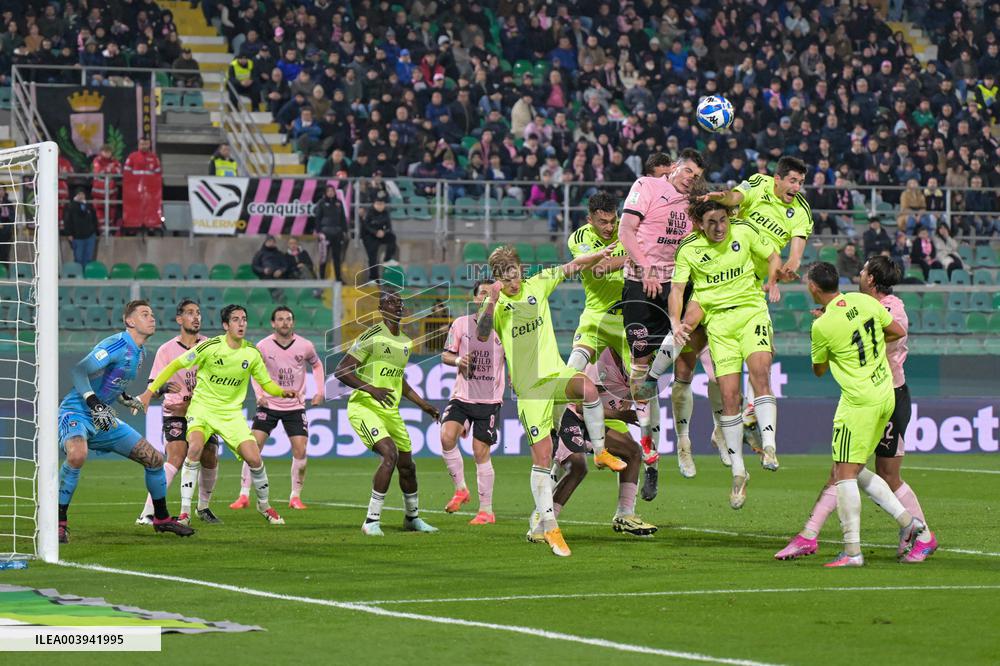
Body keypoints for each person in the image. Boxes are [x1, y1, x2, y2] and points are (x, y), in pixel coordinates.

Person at [776, 256, 937, 563]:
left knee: (875, 473)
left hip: (884, 393)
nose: (860, 274)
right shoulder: (860, 303)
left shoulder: (889, 305)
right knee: (845, 469)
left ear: (872, 279)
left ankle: (919, 534)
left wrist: (837, 332)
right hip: (880, 391)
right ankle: (810, 535)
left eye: (864, 270)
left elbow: (893, 332)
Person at [476, 244, 626, 557]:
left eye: (515, 275)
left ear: (521, 270)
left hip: (554, 374)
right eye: (505, 278)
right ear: (497, 279)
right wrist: (491, 301)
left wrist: (601, 256)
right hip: (530, 390)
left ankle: (600, 452)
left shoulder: (539, 284)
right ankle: (549, 526)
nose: (513, 283)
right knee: (543, 458)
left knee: (587, 388)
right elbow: (481, 335)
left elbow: (574, 265)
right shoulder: (497, 303)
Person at [671, 199, 788, 509]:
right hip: (719, 325)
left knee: (761, 372)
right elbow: (677, 291)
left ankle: (770, 445)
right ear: (700, 224)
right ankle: (738, 472)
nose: (719, 227)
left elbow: (774, 255)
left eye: (723, 220)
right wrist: (676, 322)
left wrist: (773, 280)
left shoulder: (745, 231)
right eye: (712, 222)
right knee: (729, 396)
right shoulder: (689, 250)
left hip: (752, 313)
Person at [142, 304, 298, 526]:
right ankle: (185, 511)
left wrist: (282, 391)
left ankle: (264, 506)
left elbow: (266, 384)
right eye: (235, 319)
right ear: (226, 325)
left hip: (230, 414)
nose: (241, 323)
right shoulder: (210, 346)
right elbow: (175, 364)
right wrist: (149, 393)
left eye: (244, 319)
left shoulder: (251, 353)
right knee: (194, 448)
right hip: (202, 410)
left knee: (254, 457)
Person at [57, 300, 193, 543]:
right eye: (144, 314)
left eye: (152, 314)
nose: (152, 318)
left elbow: (114, 386)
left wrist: (130, 399)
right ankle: (58, 522)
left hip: (103, 418)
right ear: (130, 321)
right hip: (77, 411)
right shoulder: (116, 344)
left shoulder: (140, 353)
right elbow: (78, 371)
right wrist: (93, 402)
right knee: (77, 455)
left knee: (153, 459)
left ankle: (161, 519)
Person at [619, 149, 705, 487]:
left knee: (684, 362)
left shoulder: (694, 203)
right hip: (641, 285)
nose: (690, 178)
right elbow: (626, 231)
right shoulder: (647, 186)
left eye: (696, 176)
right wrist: (646, 268)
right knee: (639, 371)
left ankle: (684, 444)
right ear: (674, 167)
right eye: (687, 171)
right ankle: (651, 456)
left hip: (677, 285)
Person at [334, 291, 441, 536]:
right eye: (391, 302)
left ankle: (412, 518)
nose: (398, 305)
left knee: (408, 466)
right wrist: (372, 389)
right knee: (389, 454)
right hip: (364, 406)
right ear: (382, 309)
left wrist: (423, 405)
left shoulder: (405, 342)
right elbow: (342, 370)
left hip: (389, 410)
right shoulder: (372, 335)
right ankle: (371, 521)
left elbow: (398, 379)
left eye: (400, 302)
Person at [546, 348, 657, 538]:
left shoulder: (644, 367)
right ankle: (544, 519)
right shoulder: (600, 363)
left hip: (605, 418)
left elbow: (642, 400)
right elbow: (582, 406)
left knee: (633, 452)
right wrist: (622, 414)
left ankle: (625, 514)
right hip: (573, 415)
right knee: (576, 467)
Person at [136, 299, 221, 526]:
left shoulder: (211, 346)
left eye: (199, 312)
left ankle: (203, 507)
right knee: (176, 456)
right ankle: (147, 512)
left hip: (203, 412)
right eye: (190, 313)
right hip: (176, 411)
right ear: (179, 319)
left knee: (210, 455)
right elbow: (154, 386)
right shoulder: (167, 350)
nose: (196, 317)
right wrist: (164, 388)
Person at [230, 307, 324, 510]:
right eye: (280, 319)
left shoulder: (305, 345)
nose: (285, 322)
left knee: (301, 449)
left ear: (293, 322)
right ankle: (244, 495)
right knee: (252, 448)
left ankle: (295, 497)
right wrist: (260, 395)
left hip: (295, 406)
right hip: (269, 404)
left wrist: (320, 391)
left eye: (288, 319)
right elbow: (254, 371)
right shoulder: (263, 346)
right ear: (273, 323)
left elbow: (317, 365)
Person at [439, 281, 506, 524]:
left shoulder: (503, 325)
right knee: (446, 436)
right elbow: (446, 354)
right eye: (483, 294)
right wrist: (458, 361)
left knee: (480, 452)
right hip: (462, 396)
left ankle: (486, 511)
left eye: (492, 294)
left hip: (488, 400)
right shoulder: (460, 324)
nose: (488, 298)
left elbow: (515, 358)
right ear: (475, 298)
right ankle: (461, 489)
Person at [315, 184, 348, 283]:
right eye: (328, 191)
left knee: (337, 257)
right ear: (325, 193)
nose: (330, 193)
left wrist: (344, 231)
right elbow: (317, 219)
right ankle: (321, 278)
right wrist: (319, 232)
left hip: (337, 233)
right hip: (325, 233)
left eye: (332, 191)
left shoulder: (339, 203)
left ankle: (338, 278)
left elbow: (342, 218)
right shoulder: (321, 203)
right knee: (323, 257)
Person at [361, 191, 397, 282]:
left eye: (382, 204)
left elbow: (389, 227)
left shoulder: (386, 213)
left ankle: (387, 259)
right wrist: (375, 232)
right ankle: (373, 277)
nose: (380, 206)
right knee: (372, 256)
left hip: (381, 234)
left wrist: (384, 232)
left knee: (392, 237)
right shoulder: (369, 212)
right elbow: (366, 226)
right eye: (378, 204)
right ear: (374, 204)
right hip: (369, 236)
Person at [63, 189, 98, 266]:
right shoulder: (70, 206)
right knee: (78, 258)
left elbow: (94, 219)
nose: (81, 196)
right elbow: (67, 221)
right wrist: (69, 233)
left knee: (88, 258)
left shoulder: (89, 206)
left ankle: (86, 274)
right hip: (77, 237)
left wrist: (95, 231)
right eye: (79, 194)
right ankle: (79, 275)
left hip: (90, 236)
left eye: (83, 194)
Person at [91, 144, 121, 230]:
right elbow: (98, 171)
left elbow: (118, 171)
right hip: (98, 193)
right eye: (105, 152)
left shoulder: (115, 161)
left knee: (111, 214)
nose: (107, 154)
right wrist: (109, 169)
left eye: (109, 152)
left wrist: (107, 170)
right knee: (99, 214)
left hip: (111, 193)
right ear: (101, 152)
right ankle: (102, 231)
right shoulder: (97, 160)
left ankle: (110, 231)